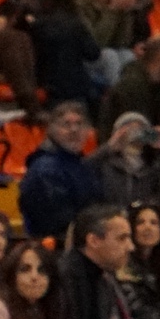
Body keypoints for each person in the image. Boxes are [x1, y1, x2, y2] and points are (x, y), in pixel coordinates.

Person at [19, 100, 103, 244]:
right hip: (55, 246)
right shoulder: (45, 169)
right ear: (51, 130)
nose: (74, 130)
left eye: (79, 124)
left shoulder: (82, 165)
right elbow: (57, 221)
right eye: (66, 124)